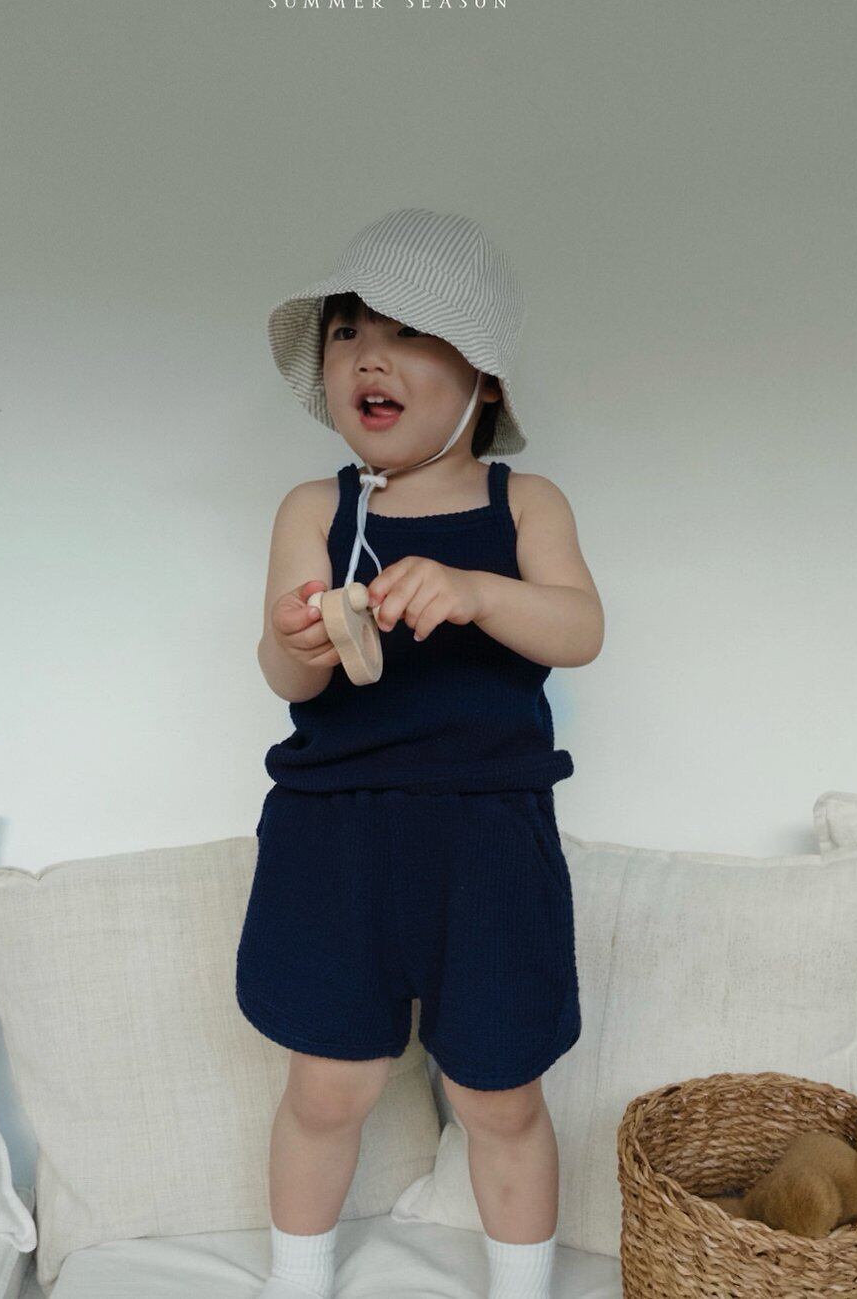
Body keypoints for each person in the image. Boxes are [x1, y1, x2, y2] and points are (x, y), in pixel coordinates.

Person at [236, 207, 604, 1299]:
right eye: (348, 332)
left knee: (500, 1093)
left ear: (482, 379)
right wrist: (300, 638)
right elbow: (288, 674)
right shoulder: (315, 506)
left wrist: (480, 591)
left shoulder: (523, 503)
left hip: (486, 837)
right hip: (332, 836)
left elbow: (579, 628)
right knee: (327, 1088)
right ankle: (297, 1278)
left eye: (406, 333)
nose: (367, 355)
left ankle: (520, 1285)